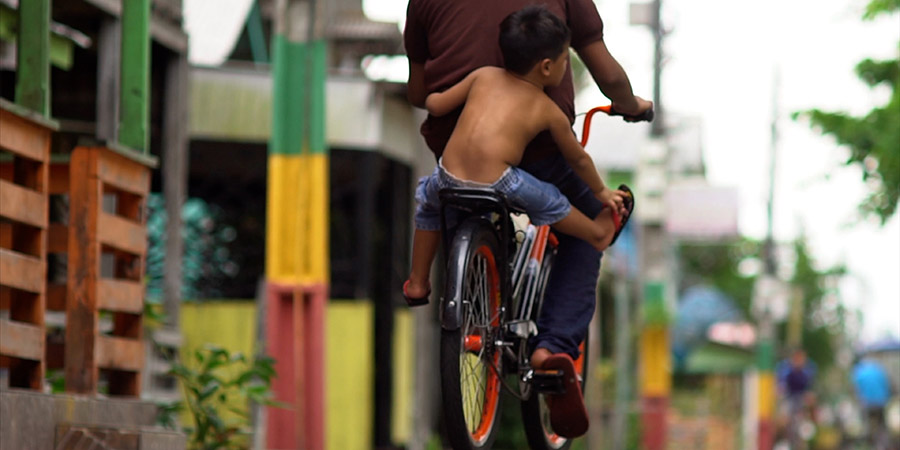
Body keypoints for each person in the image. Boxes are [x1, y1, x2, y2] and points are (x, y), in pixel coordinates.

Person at [404, 0, 652, 438]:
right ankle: (551, 348)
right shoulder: (545, 108)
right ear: (547, 65)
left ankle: (421, 281)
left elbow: (420, 93)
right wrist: (631, 105)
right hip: (528, 163)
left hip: (450, 159)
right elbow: (606, 83)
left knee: (431, 201)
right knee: (587, 225)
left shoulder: (472, 67)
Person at [851, 357, 892, 447]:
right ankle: (883, 445)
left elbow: (856, 390)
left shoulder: (858, 372)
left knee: (868, 425)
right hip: (881, 401)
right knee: (881, 425)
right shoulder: (878, 369)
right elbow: (887, 383)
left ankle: (869, 445)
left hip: (867, 403)